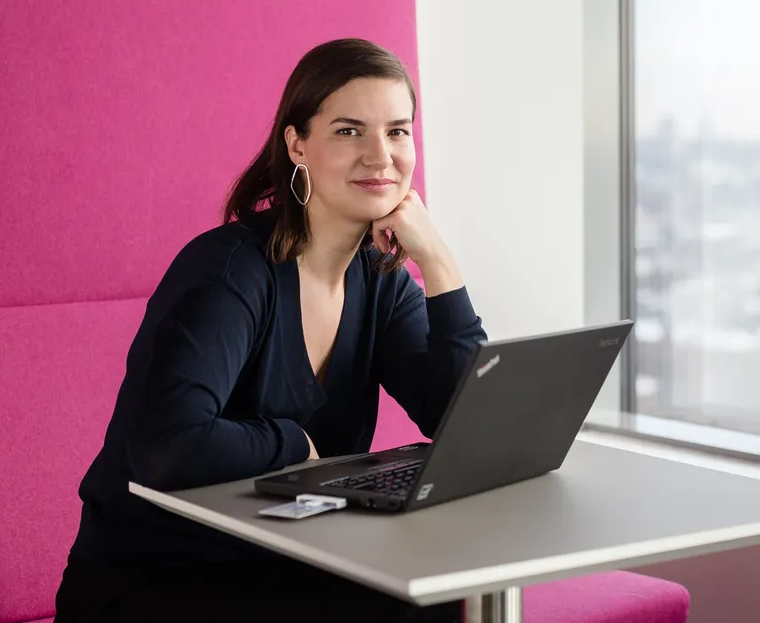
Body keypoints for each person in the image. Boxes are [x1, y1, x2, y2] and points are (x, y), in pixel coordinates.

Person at [54, 39, 485, 622]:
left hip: (284, 563)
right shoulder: (230, 270)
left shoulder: (380, 281)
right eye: (349, 131)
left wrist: (439, 264)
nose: (381, 157)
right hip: (155, 578)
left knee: (433, 598)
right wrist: (292, 445)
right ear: (297, 144)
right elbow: (167, 447)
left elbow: (470, 432)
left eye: (398, 131)